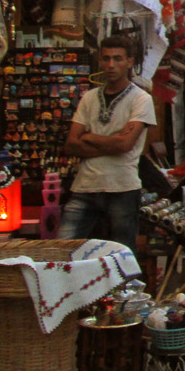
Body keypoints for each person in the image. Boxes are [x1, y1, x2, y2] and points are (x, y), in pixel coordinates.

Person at [62, 34, 157, 249]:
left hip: (121, 187)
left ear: (129, 62)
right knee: (63, 250)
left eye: (118, 59)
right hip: (85, 186)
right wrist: (112, 141)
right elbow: (70, 145)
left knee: (121, 258)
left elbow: (124, 146)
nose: (111, 65)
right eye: (106, 59)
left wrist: (88, 137)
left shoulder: (141, 99)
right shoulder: (89, 97)